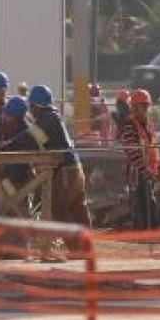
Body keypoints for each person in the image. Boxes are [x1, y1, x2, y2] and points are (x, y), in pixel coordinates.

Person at [28, 84, 92, 227]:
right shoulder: (54, 116)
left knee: (58, 210)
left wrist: (9, 144)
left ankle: (75, 245)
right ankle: (87, 245)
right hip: (75, 168)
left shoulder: (46, 118)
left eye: (31, 106)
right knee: (78, 209)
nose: (30, 111)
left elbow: (29, 140)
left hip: (65, 172)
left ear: (35, 105)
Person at [119, 89, 160, 229]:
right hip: (137, 173)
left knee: (150, 202)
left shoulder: (149, 126)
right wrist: (144, 170)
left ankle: (153, 233)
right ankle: (141, 235)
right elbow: (131, 152)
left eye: (144, 106)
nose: (141, 109)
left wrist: (159, 169)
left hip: (149, 172)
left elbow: (154, 148)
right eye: (137, 106)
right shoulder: (129, 126)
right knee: (138, 204)